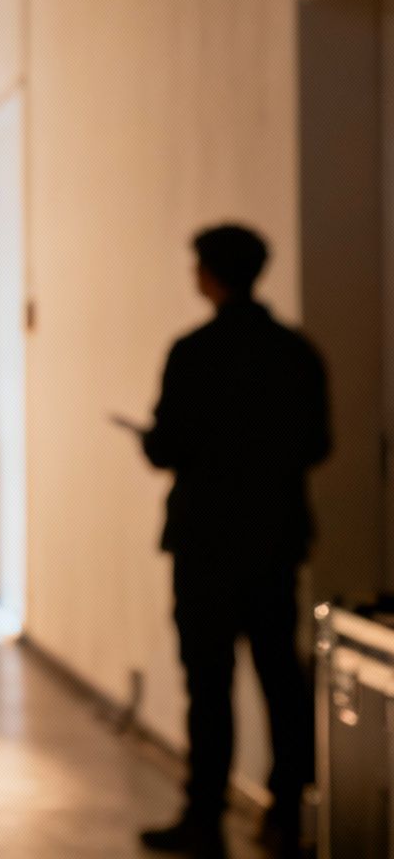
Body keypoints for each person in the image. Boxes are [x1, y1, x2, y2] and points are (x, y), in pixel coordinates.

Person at [133, 225, 328, 859]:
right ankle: (287, 813)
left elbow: (166, 445)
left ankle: (205, 816)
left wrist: (158, 443)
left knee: (208, 684)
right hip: (273, 536)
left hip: (206, 540)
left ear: (209, 275)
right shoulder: (294, 353)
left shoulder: (194, 352)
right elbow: (318, 443)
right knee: (280, 677)